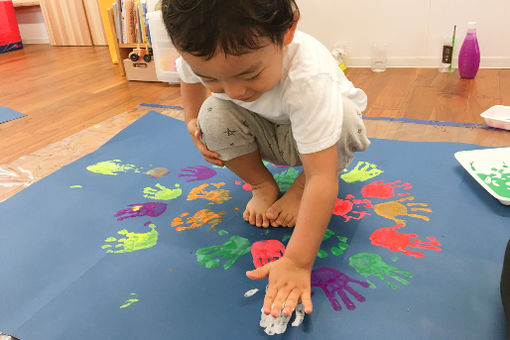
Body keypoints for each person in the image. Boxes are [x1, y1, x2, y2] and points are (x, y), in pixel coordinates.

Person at [162, 0, 370, 318]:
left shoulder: (308, 77)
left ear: (288, 32)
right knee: (211, 114)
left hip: (319, 143)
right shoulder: (201, 47)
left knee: (344, 119)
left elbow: (322, 177)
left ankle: (297, 191)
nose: (232, 91)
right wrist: (193, 122)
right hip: (262, 133)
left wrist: (298, 262)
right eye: (212, 79)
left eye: (250, 74)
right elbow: (189, 79)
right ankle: (262, 185)